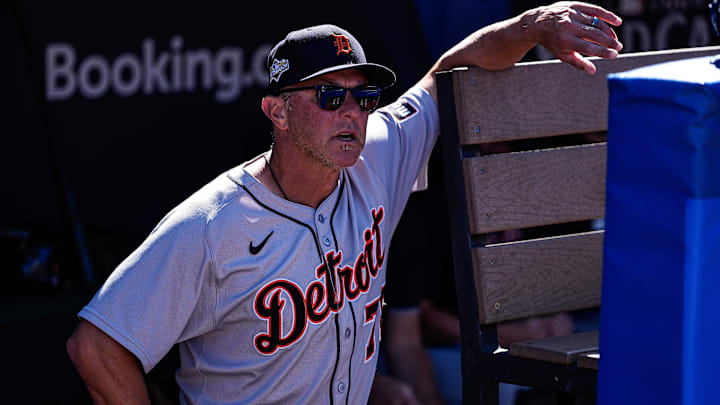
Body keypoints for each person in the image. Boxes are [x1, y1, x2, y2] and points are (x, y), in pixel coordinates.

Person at [66, 3, 623, 404]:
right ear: (277, 113)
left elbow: (449, 71)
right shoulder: (212, 225)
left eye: (363, 96)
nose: (352, 112)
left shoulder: (374, 156)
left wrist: (533, 25)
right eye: (330, 96)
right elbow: (96, 346)